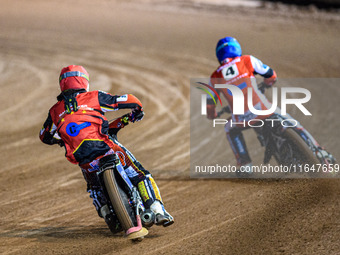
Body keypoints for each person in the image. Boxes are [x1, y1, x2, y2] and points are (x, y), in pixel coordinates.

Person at [39, 65, 174, 229]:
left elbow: (44, 136)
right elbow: (129, 100)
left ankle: (107, 214)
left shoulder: (54, 111)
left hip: (84, 160)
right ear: (84, 82)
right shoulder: (93, 97)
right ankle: (157, 210)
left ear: (62, 84)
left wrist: (61, 141)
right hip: (106, 148)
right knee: (141, 174)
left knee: (94, 187)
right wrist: (137, 108)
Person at [206, 37, 334, 175]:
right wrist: (268, 84)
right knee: (291, 121)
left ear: (219, 55)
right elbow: (271, 75)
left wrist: (213, 115)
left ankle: (245, 165)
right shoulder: (247, 60)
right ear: (236, 49)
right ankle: (318, 150)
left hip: (242, 119)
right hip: (264, 111)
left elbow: (209, 107)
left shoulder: (214, 77)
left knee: (229, 128)